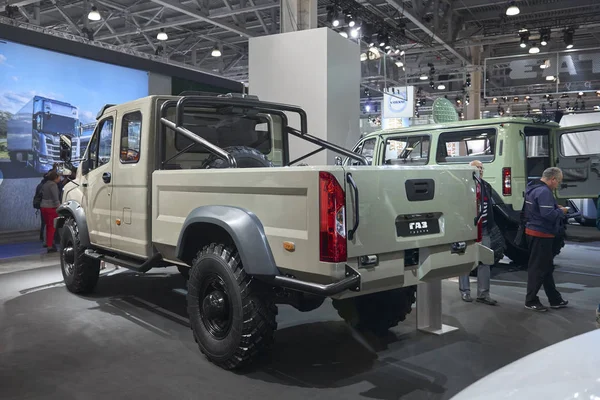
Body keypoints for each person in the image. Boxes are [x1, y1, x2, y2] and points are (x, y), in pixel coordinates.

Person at [524, 167, 569, 312]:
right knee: (538, 269)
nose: (558, 185)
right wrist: (560, 211)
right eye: (558, 182)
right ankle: (531, 301)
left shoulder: (532, 187)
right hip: (541, 234)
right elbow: (547, 214)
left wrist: (554, 207)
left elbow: (539, 209)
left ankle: (555, 299)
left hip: (533, 231)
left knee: (546, 268)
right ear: (553, 179)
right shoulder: (544, 192)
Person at [458, 160, 497, 306]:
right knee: (465, 262)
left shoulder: (486, 186)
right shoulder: (463, 186)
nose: (480, 170)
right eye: (477, 167)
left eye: (481, 168)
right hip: (467, 231)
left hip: (485, 229)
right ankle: (465, 291)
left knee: (485, 261)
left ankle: (483, 294)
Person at [40, 170, 61, 253]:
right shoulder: (53, 185)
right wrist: (60, 207)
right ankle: (50, 246)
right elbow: (56, 198)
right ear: (55, 177)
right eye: (59, 176)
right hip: (51, 208)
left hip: (44, 207)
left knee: (48, 226)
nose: (60, 178)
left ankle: (49, 243)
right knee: (52, 227)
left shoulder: (45, 184)